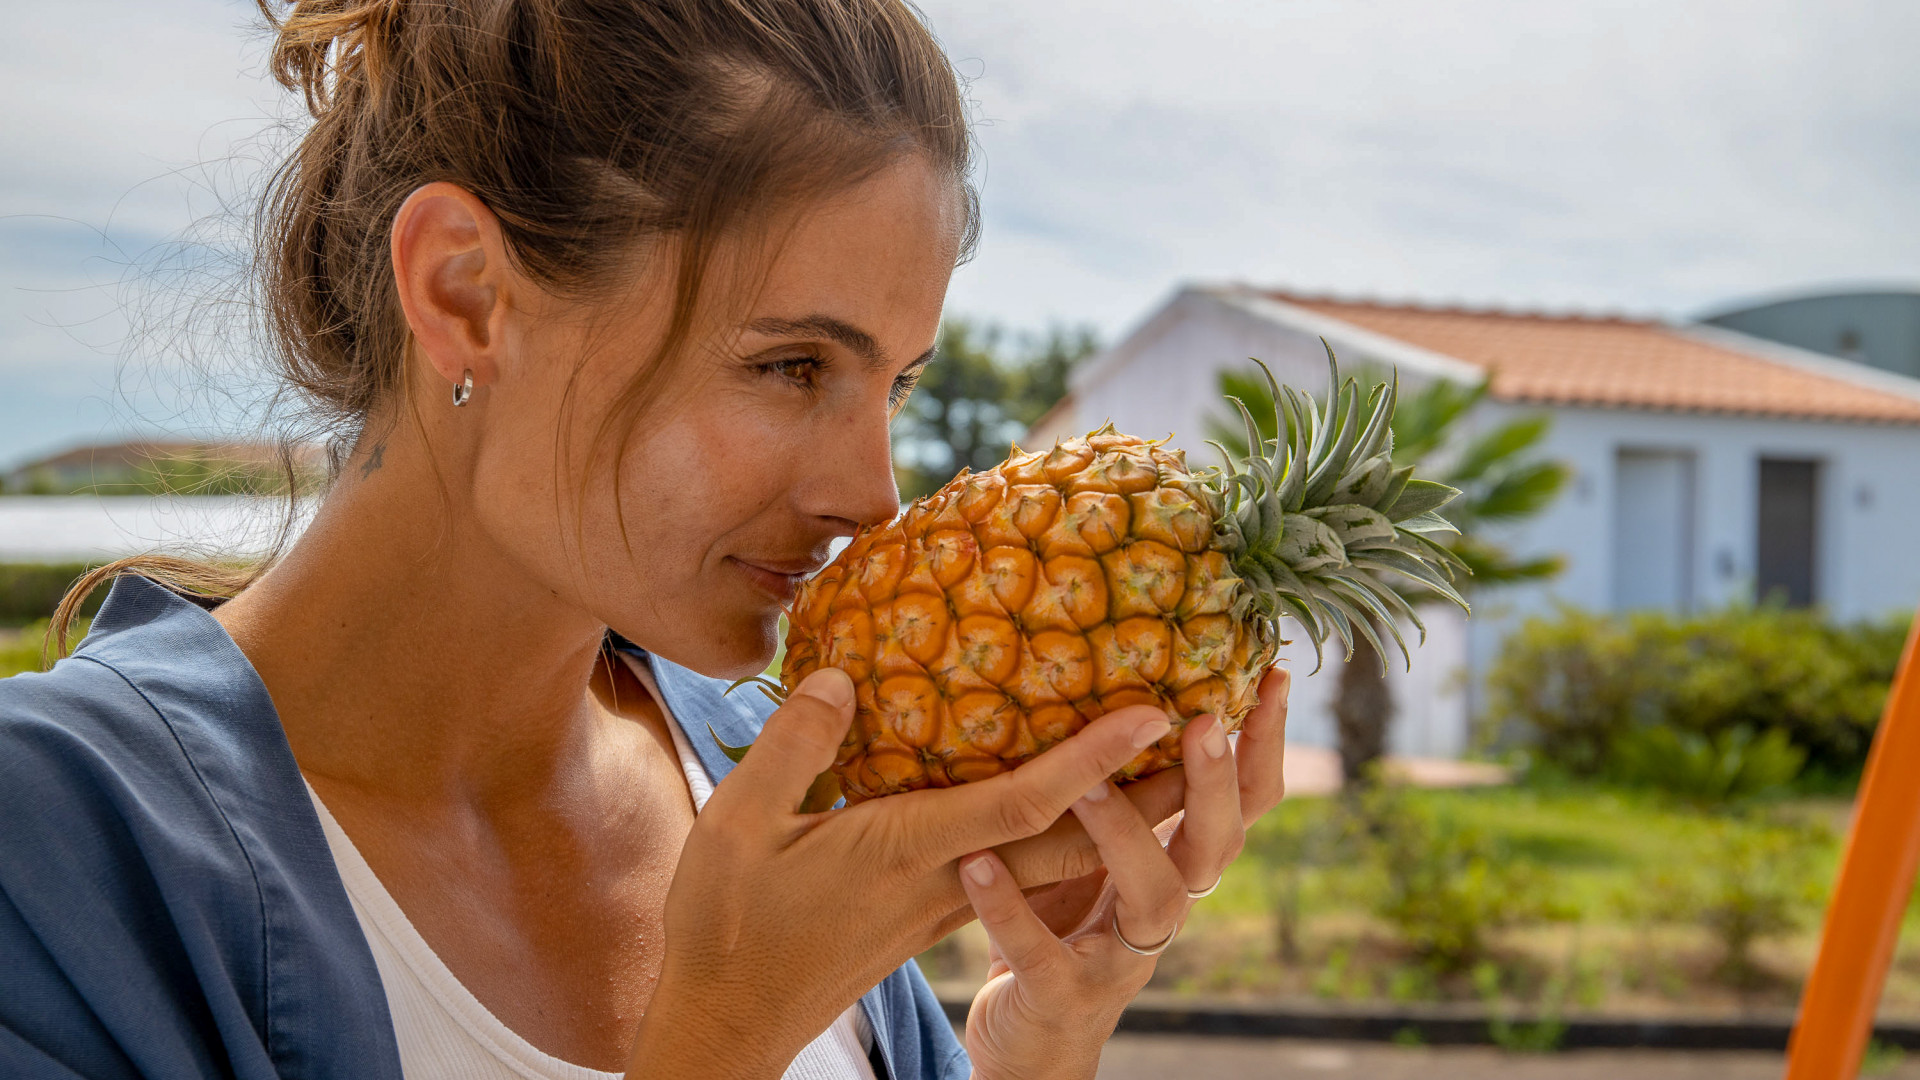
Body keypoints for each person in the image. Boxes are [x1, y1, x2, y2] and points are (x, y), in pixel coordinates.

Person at [0, 1, 1293, 1077]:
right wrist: (722, 1039)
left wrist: (1036, 1042)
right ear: (469, 295)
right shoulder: (53, 855)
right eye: (792, 365)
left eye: (893, 383)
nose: (873, 495)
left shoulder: (771, 765)